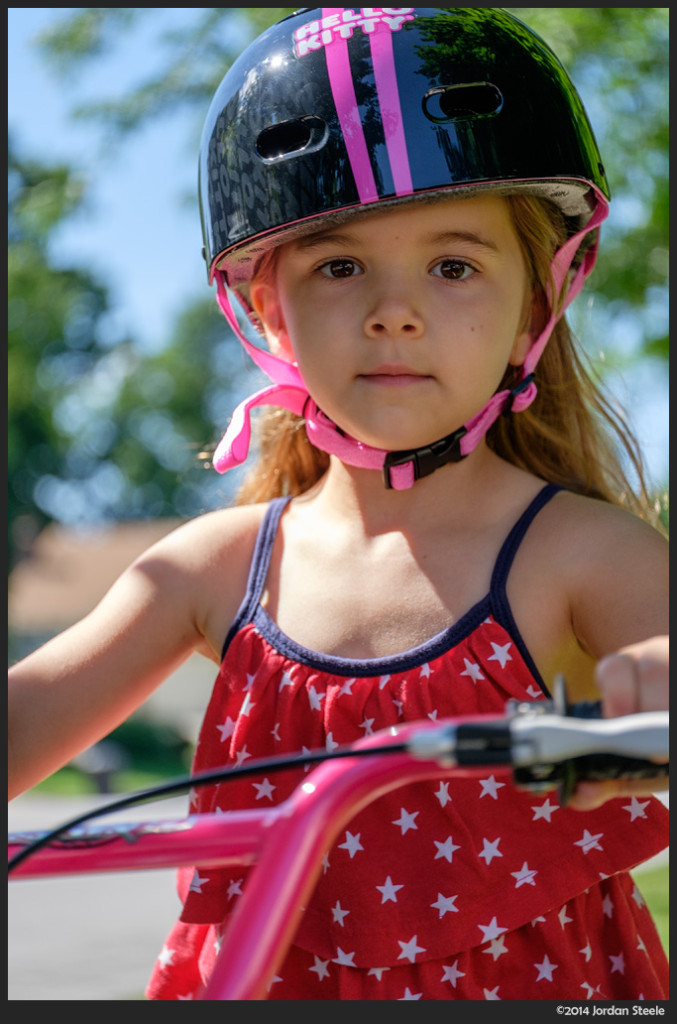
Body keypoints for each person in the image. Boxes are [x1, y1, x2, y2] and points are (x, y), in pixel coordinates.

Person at [8, 8, 668, 1002]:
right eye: (338, 264)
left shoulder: (577, 553)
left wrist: (650, 684)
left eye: (452, 265)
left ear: (537, 298)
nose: (390, 310)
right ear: (267, 304)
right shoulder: (211, 570)